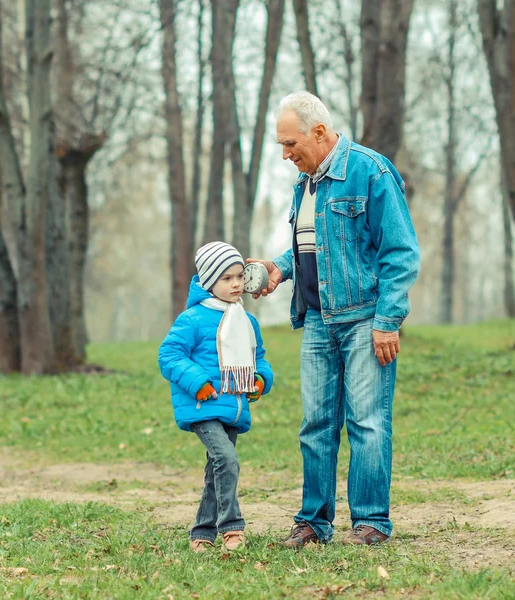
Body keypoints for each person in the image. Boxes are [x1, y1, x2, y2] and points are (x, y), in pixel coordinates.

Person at [249, 92, 420, 547]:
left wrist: (388, 319)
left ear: (319, 133)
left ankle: (370, 523)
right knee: (316, 424)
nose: (285, 155)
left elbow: (400, 253)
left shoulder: (370, 171)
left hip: (366, 318)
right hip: (319, 320)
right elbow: (313, 242)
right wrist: (278, 268)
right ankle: (313, 522)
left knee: (367, 421)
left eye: (290, 144)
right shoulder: (304, 183)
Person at [158, 241, 274, 552]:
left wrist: (261, 380)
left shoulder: (247, 322)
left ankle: (201, 533)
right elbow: (169, 355)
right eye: (226, 278)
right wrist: (197, 382)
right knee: (227, 459)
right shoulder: (192, 319)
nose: (236, 283)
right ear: (209, 282)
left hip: (234, 405)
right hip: (203, 405)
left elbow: (259, 358)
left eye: (239, 276)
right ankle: (232, 528)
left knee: (216, 470)